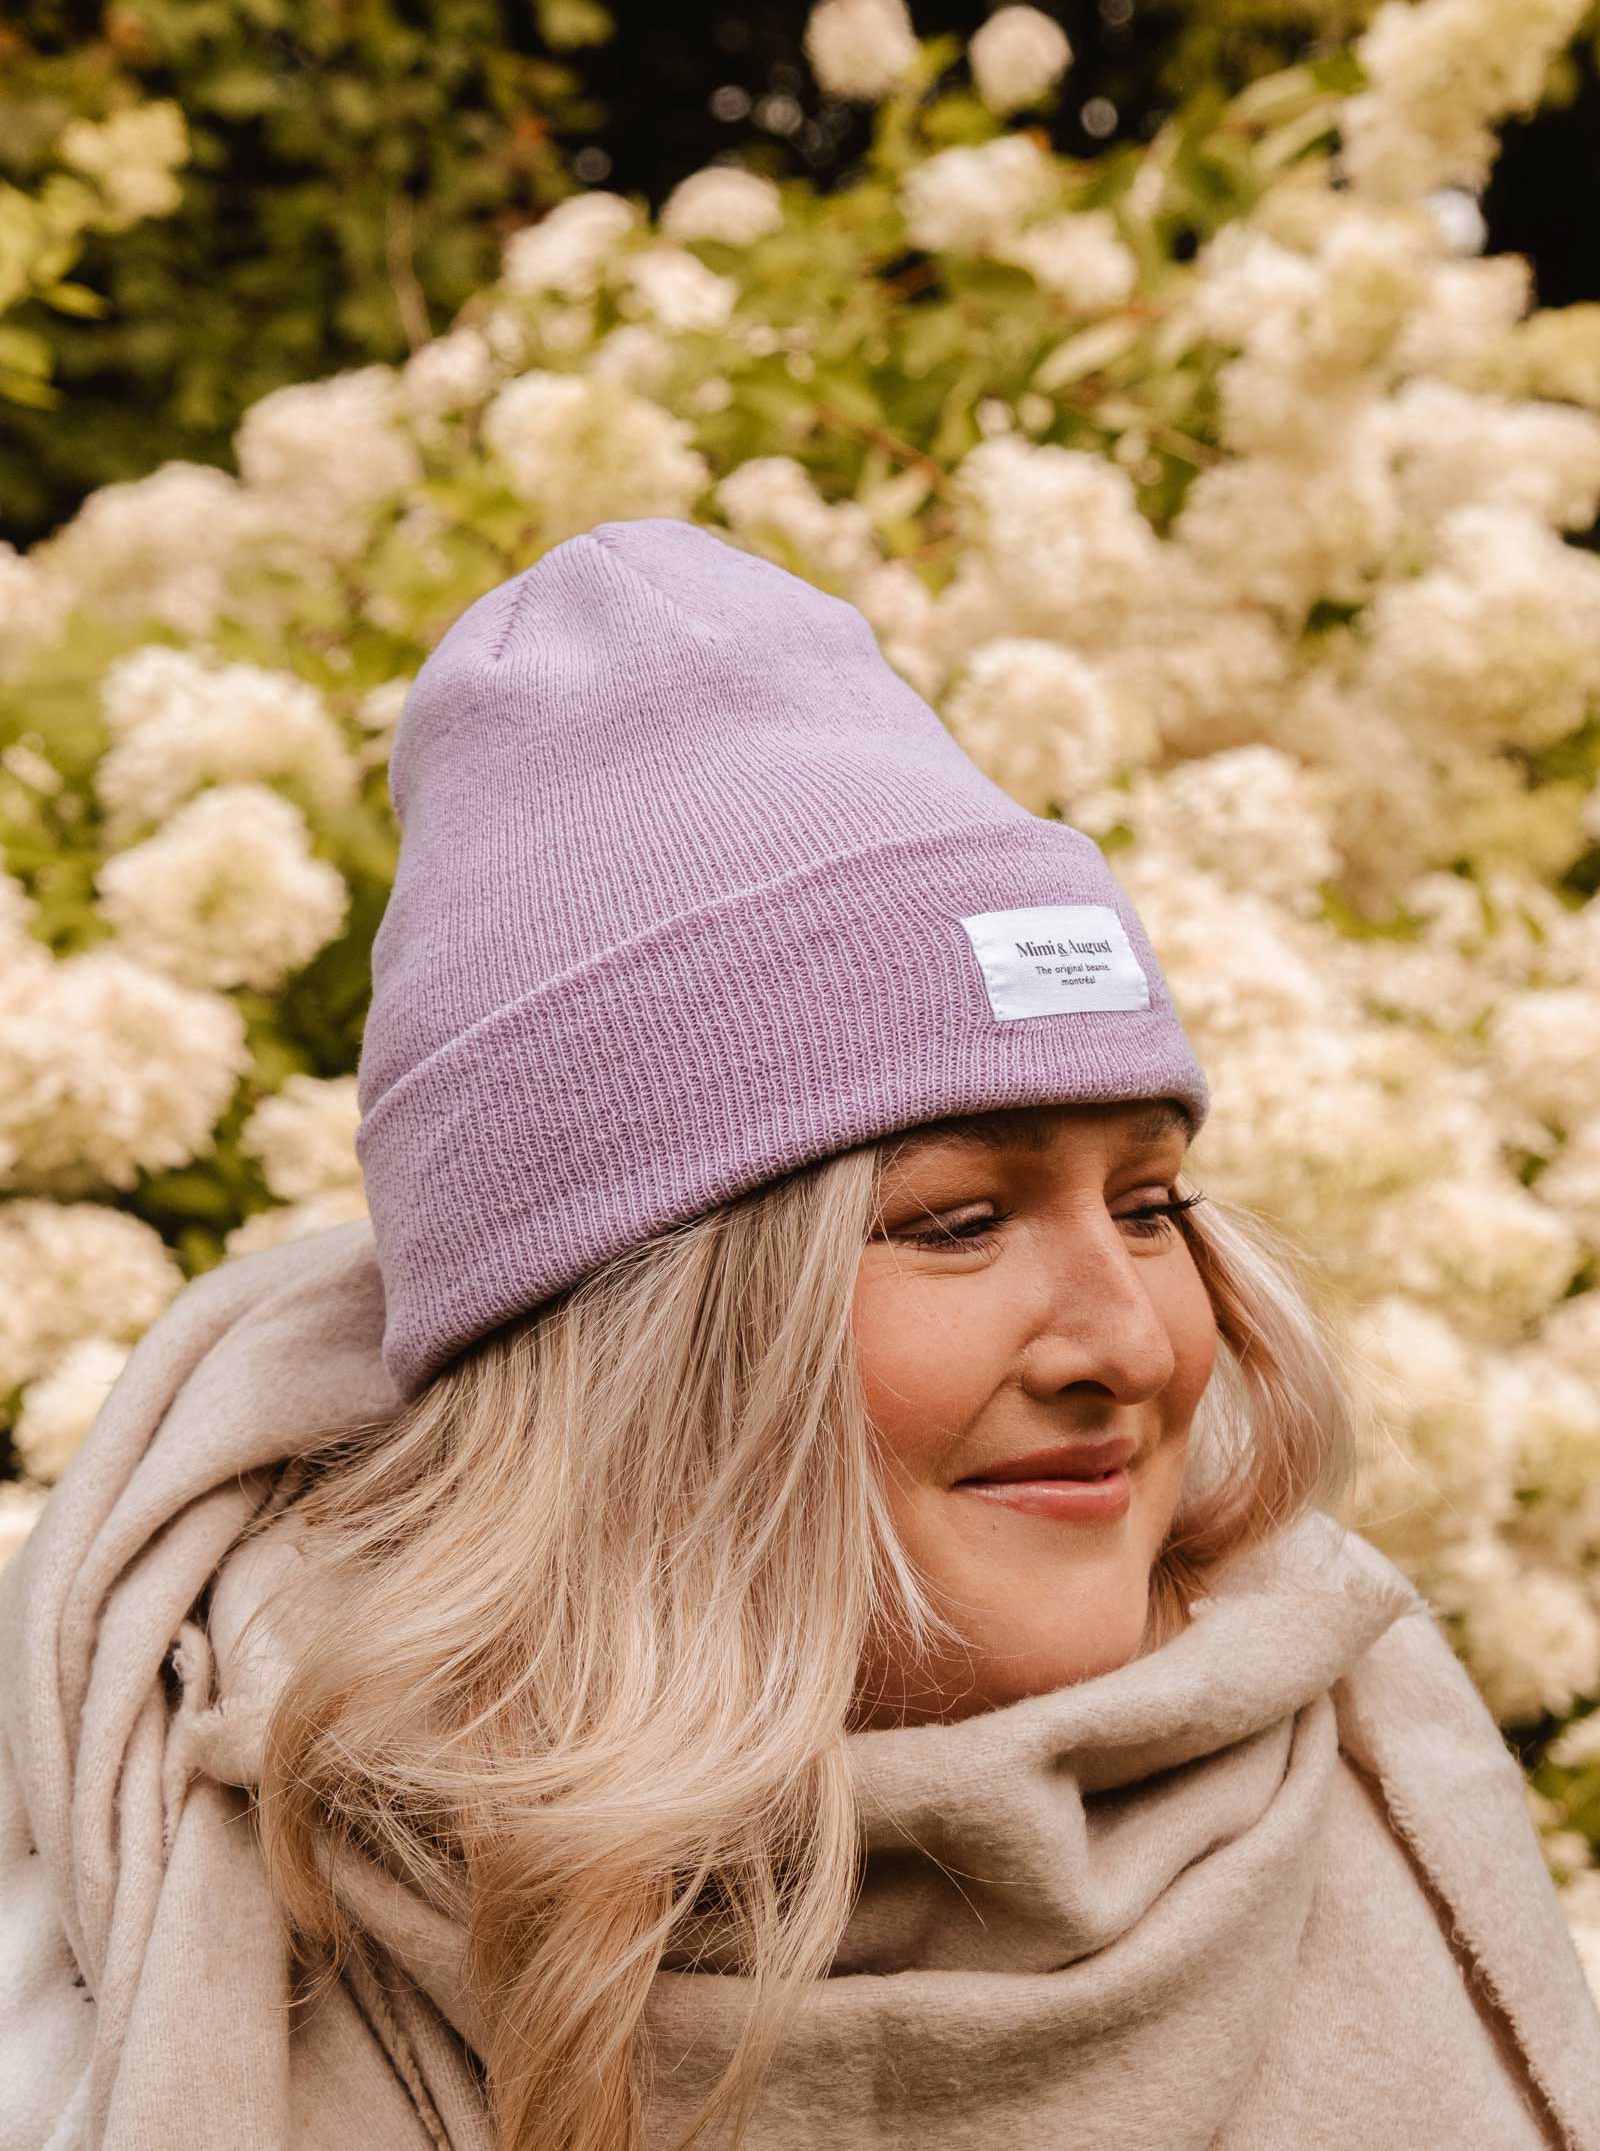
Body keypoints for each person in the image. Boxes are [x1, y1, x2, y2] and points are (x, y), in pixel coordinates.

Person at [2, 516, 1598, 2151]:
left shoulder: (1361, 1769)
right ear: (635, 1348)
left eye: (1149, 1202)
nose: (1127, 1341)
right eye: (959, 1222)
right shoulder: (115, 1979)